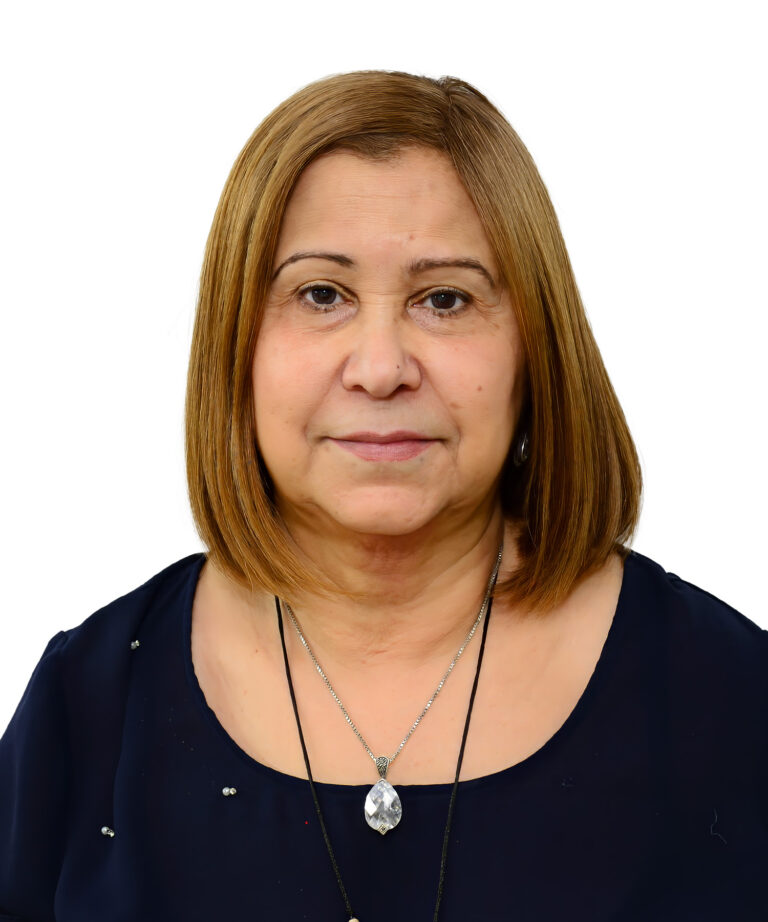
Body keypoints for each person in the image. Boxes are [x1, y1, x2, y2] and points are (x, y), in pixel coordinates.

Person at [1, 70, 766, 922]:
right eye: (321, 295)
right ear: (236, 344)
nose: (380, 368)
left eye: (445, 299)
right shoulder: (86, 708)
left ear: (535, 347)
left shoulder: (733, 698)